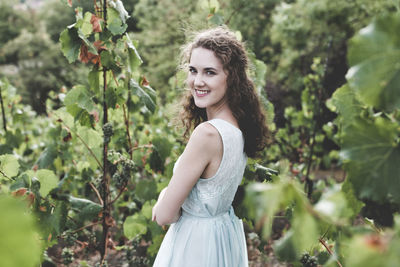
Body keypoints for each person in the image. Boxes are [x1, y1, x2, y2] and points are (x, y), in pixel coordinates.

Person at [151, 26, 268, 267]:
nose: (198, 81)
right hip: (222, 235)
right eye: (193, 70)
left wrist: (164, 196)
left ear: (231, 77)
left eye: (210, 72)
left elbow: (165, 215)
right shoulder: (238, 127)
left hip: (197, 244)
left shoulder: (207, 134)